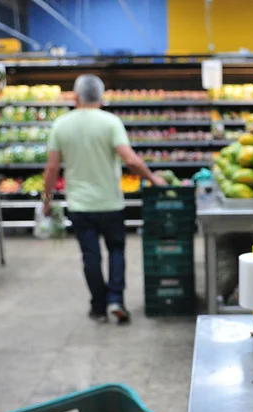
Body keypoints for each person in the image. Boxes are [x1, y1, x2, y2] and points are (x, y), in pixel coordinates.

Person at [43, 75, 165, 324]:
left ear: (75, 97)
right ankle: (115, 300)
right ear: (101, 97)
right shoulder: (110, 122)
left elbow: (52, 168)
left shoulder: (61, 125)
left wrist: (47, 200)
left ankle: (97, 307)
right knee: (116, 250)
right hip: (110, 202)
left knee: (90, 256)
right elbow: (130, 160)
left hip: (79, 205)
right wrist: (153, 179)